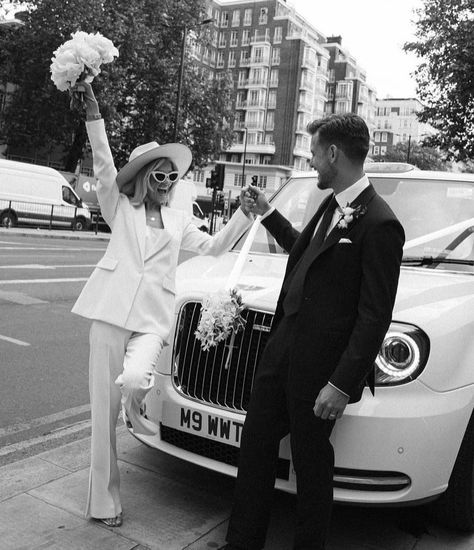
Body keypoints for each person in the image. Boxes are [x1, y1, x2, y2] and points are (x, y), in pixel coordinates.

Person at [70, 81, 254, 527]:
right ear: (144, 176)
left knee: (134, 381)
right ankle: (104, 502)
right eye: (160, 174)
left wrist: (245, 213)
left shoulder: (178, 218)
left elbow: (214, 248)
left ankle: (135, 408)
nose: (168, 182)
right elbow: (103, 160)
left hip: (152, 319)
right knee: (101, 415)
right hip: (110, 316)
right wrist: (93, 110)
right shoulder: (120, 206)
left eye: (173, 176)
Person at [222, 113, 405, 550]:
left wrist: (341, 384)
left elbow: (374, 315)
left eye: (314, 152)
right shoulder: (329, 203)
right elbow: (305, 254)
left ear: (334, 153)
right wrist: (267, 214)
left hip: (320, 372)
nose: (311, 159)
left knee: (311, 464)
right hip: (281, 352)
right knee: (256, 449)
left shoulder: (380, 223)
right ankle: (242, 542)